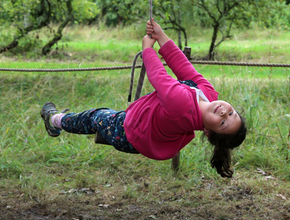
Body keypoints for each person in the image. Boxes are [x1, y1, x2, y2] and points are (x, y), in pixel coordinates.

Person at [41, 18, 247, 178]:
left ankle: (55, 121)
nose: (223, 112)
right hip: (142, 125)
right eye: (231, 113)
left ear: (208, 132)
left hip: (130, 132)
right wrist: (162, 36)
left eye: (222, 122)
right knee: (104, 119)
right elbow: (183, 67)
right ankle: (91, 126)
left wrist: (148, 49)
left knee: (96, 116)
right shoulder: (209, 94)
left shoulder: (183, 106)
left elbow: (159, 77)